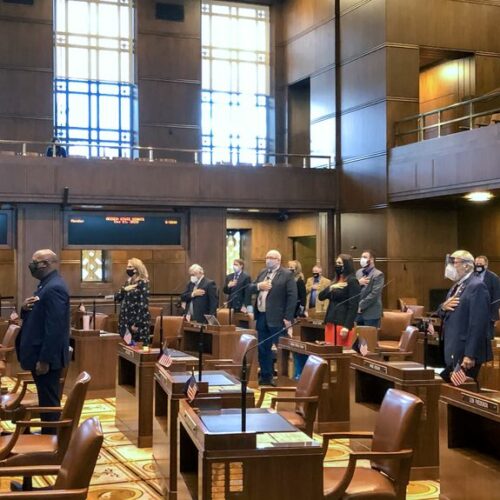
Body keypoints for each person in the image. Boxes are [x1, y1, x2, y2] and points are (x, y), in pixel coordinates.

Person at [15, 249, 70, 435]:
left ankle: (52, 444)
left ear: (46, 264)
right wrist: (24, 308)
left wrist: (45, 359)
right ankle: (48, 437)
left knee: (49, 403)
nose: (32, 265)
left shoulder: (55, 287)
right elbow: (38, 317)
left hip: (46, 358)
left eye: (35, 262)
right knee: (46, 401)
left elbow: (54, 328)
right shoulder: (44, 285)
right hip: (40, 355)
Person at [440, 250, 492, 382]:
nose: (450, 267)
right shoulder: (457, 286)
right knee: (452, 393)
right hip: (453, 348)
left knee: (464, 393)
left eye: (454, 262)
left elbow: (478, 324)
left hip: (465, 353)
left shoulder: (477, 286)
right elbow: (444, 311)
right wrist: (442, 307)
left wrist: (470, 354)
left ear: (467, 265)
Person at [249, 249, 297, 386]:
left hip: (278, 317)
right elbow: (250, 287)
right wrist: (259, 286)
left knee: (280, 348)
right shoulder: (263, 272)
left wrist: (288, 317)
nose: (268, 260)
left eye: (271, 257)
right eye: (266, 257)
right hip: (262, 316)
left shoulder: (287, 275)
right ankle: (266, 376)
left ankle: (283, 378)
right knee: (263, 348)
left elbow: (292, 297)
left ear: (278, 260)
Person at [319, 254, 361, 346]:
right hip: (330, 321)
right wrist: (331, 287)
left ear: (346, 265)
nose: (337, 265)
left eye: (339, 263)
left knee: (340, 354)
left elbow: (353, 306)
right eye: (336, 263)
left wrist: (346, 326)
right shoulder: (335, 281)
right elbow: (321, 296)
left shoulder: (352, 281)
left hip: (342, 323)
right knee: (328, 352)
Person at [115, 258, 151, 345]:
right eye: (127, 266)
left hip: (136, 322)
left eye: (130, 266)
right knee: (126, 347)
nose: (128, 268)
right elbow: (117, 298)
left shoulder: (143, 283)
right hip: (125, 321)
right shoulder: (128, 282)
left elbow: (143, 305)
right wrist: (124, 290)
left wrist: (136, 324)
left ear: (136, 269)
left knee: (136, 348)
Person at [288, 260, 308, 378]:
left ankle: (298, 373)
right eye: (289, 267)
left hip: (296, 311)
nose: (290, 269)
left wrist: (300, 311)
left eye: (293, 267)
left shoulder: (299, 281)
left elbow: (303, 297)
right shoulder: (287, 279)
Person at [355, 249, 384, 328]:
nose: (362, 259)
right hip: (357, 313)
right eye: (361, 257)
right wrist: (358, 283)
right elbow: (354, 290)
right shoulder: (358, 272)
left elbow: (374, 294)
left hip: (371, 313)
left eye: (364, 257)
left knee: (370, 339)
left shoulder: (378, 274)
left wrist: (361, 305)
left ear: (371, 259)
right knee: (357, 338)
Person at [474, 255, 500, 340]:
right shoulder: (472, 276)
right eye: (476, 263)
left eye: (480, 264)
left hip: (487, 314)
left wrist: (494, 316)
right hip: (473, 313)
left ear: (486, 265)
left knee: (487, 339)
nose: (478, 265)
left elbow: (497, 297)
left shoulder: (494, 278)